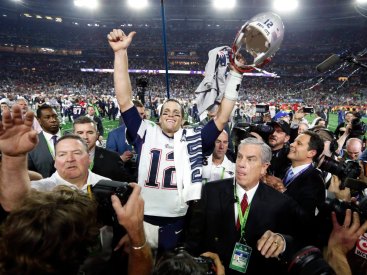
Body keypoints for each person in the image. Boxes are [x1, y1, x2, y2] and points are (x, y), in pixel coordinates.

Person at [108, 28, 243, 252]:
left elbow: (222, 117)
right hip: (142, 215)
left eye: (176, 112)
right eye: (166, 111)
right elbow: (124, 100)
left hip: (178, 219)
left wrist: (236, 74)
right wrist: (120, 53)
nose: (171, 114)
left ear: (183, 119)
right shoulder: (146, 132)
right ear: (159, 118)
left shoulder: (193, 138)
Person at [0, 105, 153, 275]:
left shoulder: (109, 185)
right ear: (55, 161)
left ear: (89, 158)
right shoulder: (44, 189)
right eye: (62, 154)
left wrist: (131, 234)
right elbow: (15, 203)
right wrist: (13, 158)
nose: (70, 159)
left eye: (76, 153)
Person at [184, 138, 304, 275]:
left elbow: (296, 240)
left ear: (264, 167)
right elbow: (192, 238)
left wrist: (282, 241)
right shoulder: (210, 191)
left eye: (250, 159)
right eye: (239, 157)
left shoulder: (280, 202)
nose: (241, 164)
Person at [267, 130, 326, 247]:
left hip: (289, 245)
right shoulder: (286, 169)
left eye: (299, 143)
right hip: (272, 234)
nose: (292, 144)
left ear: (311, 153)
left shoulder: (314, 180)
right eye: (294, 141)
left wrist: (283, 191)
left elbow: (306, 219)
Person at [73, 116, 136, 182]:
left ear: (97, 135)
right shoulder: (65, 158)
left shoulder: (112, 158)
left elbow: (129, 184)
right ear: (73, 135)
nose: (85, 137)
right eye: (80, 133)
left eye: (90, 132)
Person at [28, 104, 61, 178]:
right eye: (47, 117)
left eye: (55, 116)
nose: (53, 120)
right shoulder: (32, 144)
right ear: (39, 121)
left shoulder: (73, 138)